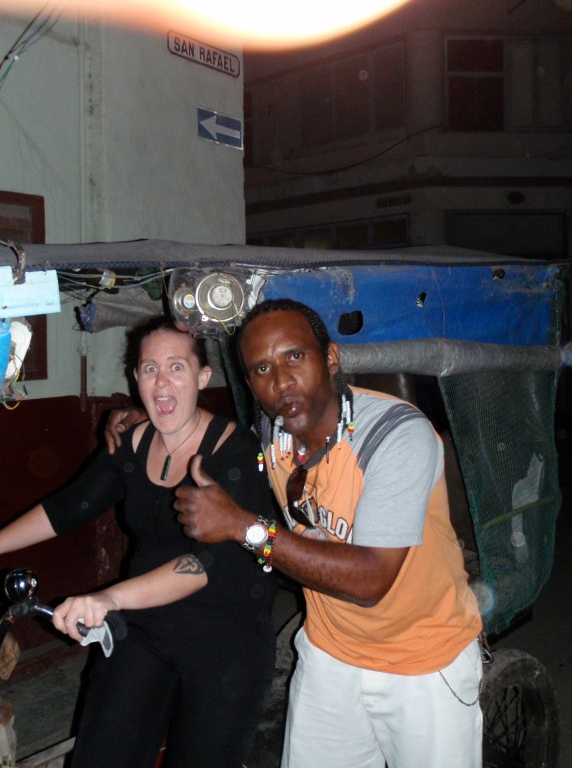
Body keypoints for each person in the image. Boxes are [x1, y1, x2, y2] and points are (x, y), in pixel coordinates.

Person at [107, 299, 484, 768]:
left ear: (330, 358)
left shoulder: (395, 435)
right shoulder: (273, 432)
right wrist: (143, 418)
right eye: (262, 368)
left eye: (295, 357)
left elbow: (371, 582)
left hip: (423, 661)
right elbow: (205, 431)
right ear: (249, 384)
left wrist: (243, 527)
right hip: (331, 652)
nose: (281, 381)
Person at [0, 316, 278, 768]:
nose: (162, 382)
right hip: (145, 626)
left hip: (226, 637)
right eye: (149, 368)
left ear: (203, 377)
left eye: (177, 367)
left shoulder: (235, 449)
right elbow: (68, 507)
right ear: (135, 378)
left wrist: (107, 597)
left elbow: (203, 565)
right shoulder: (133, 442)